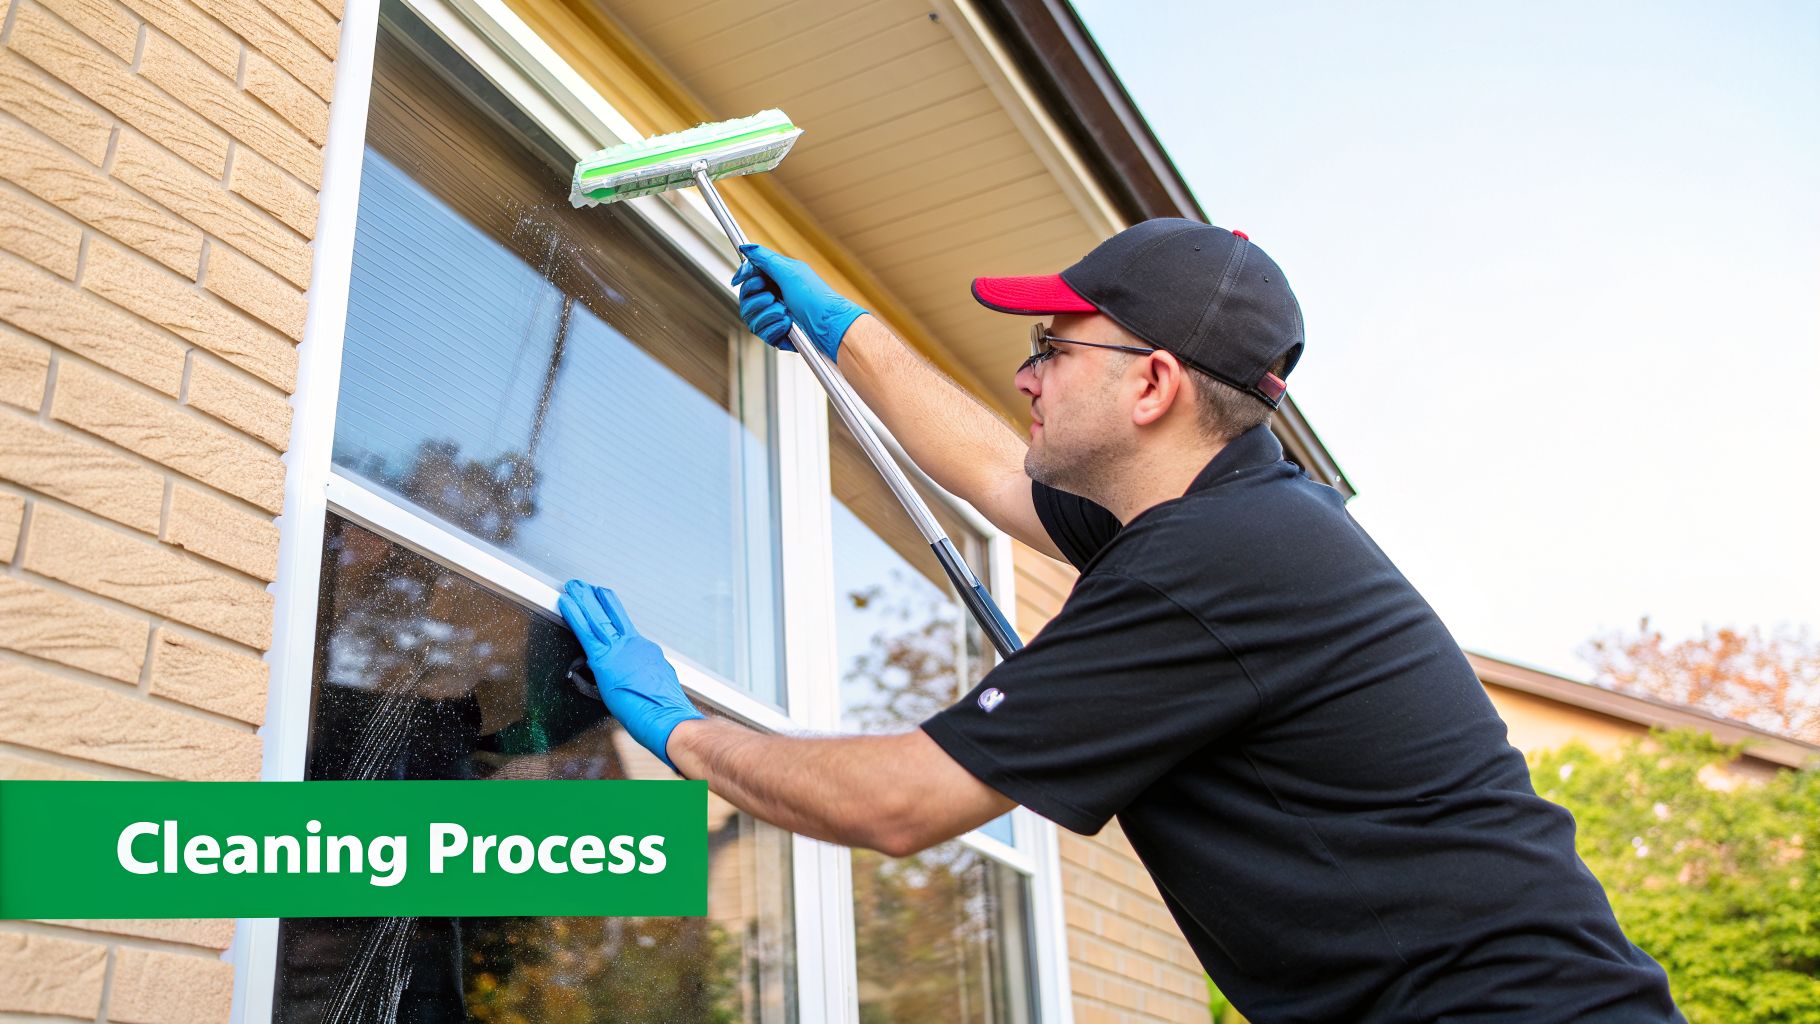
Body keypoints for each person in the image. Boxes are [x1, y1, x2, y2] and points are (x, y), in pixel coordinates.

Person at [558, 218, 1683, 1022]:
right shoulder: (1234, 518)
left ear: (1150, 385)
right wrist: (843, 331)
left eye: (1051, 347)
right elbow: (1000, 477)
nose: (1026, 374)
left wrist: (674, 730)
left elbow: (899, 802)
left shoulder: (1212, 564)